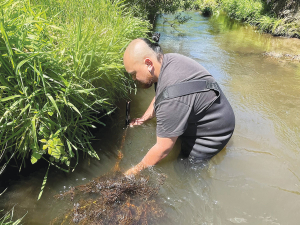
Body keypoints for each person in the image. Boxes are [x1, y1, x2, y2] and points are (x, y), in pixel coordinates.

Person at [123, 34, 235, 176]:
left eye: (134, 73)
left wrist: (134, 171)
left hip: (213, 132)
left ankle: (207, 167)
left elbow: (163, 149)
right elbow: (162, 94)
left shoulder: (171, 99)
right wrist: (145, 118)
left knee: (182, 171)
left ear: (148, 64)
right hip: (216, 110)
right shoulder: (167, 62)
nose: (134, 78)